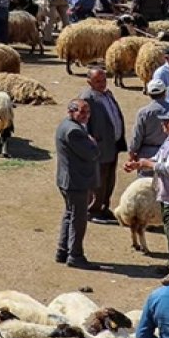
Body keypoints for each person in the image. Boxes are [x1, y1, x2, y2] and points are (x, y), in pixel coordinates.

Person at [124, 106, 169, 282]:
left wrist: (145, 163)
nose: (162, 124)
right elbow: (158, 159)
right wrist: (138, 164)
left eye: (166, 121)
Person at [55, 99, 99, 269]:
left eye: (87, 112)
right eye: (82, 112)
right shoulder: (73, 131)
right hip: (76, 181)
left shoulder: (66, 125)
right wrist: (93, 144)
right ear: (71, 111)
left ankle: (62, 250)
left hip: (68, 180)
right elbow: (91, 153)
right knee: (78, 219)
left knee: (69, 214)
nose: (86, 116)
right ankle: (75, 255)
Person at [79, 68, 125, 225]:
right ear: (89, 82)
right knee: (98, 179)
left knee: (109, 178)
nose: (102, 83)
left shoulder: (108, 94)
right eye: (98, 81)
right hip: (99, 147)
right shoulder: (87, 98)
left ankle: (104, 206)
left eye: (104, 80)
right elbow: (81, 123)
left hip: (112, 145)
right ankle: (93, 210)